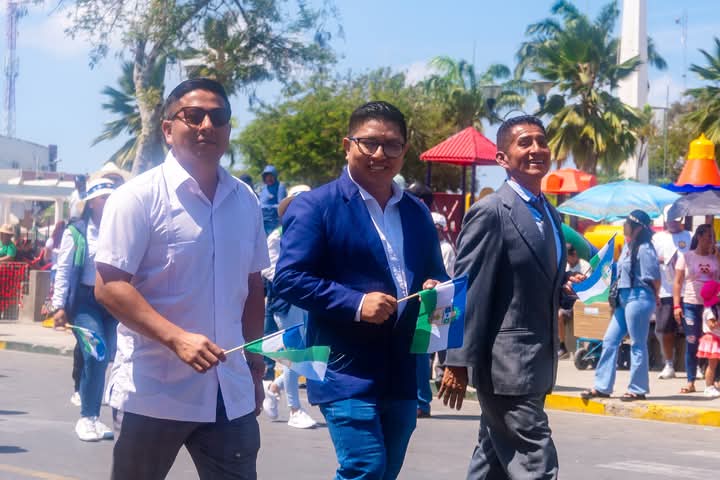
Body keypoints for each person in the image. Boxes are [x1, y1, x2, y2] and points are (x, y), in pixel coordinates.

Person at [94, 78, 268, 480]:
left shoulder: (245, 200)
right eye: (194, 115)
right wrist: (177, 338)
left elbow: (252, 288)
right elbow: (109, 286)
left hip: (228, 391)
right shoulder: (137, 197)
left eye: (218, 116)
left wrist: (255, 365)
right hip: (154, 393)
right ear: (168, 129)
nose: (207, 125)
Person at [274, 100, 448, 480]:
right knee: (365, 467)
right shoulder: (315, 206)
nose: (380, 154)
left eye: (392, 145)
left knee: (386, 472)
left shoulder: (416, 212)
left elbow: (434, 273)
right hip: (344, 369)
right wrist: (355, 303)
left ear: (405, 149)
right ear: (347, 145)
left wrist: (434, 287)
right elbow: (288, 278)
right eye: (369, 143)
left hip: (401, 368)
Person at [436, 115, 567, 479]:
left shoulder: (550, 213)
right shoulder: (491, 211)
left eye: (541, 141)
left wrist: (564, 289)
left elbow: (534, 281)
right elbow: (469, 289)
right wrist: (455, 361)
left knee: (492, 460)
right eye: (524, 143)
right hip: (506, 366)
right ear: (502, 159)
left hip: (537, 361)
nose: (536, 149)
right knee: (536, 462)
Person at [51, 178, 118, 441]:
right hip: (84, 302)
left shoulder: (120, 228)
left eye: (111, 196)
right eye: (103, 197)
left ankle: (95, 417)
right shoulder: (76, 232)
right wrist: (58, 306)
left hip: (113, 301)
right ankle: (87, 417)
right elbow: (64, 270)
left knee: (109, 357)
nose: (108, 201)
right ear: (91, 203)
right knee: (96, 354)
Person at [581, 210, 660, 403]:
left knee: (637, 343)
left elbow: (655, 278)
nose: (625, 227)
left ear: (638, 228)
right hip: (623, 298)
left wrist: (655, 299)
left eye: (629, 224)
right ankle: (602, 386)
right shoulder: (627, 245)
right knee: (610, 340)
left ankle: (637, 389)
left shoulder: (645, 249)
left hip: (639, 296)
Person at [261, 186, 317, 429]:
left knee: (306, 353)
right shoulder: (277, 237)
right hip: (286, 301)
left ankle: (274, 388)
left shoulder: (314, 234)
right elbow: (267, 268)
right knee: (295, 353)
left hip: (309, 300)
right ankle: (295, 410)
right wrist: (295, 281)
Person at [673, 223, 719, 394]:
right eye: (708, 237)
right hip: (691, 304)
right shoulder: (686, 257)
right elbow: (678, 283)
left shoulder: (716, 258)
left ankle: (713, 380)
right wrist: (676, 305)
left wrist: (718, 256)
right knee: (692, 342)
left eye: (713, 237)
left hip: (712, 306)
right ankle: (690, 381)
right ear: (699, 237)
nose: (711, 240)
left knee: (714, 342)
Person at [652, 208, 691, 379]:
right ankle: (668, 364)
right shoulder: (657, 238)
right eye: (671, 219)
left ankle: (695, 365)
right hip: (665, 290)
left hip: (688, 291)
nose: (673, 223)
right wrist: (661, 260)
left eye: (676, 219)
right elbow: (649, 260)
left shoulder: (690, 236)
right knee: (665, 330)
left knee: (692, 330)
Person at [557, 243, 590, 358]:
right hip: (567, 301)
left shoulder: (584, 266)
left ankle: (565, 347)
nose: (568, 261)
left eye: (568, 258)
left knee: (560, 314)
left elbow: (587, 286)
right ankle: (561, 346)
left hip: (579, 301)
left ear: (574, 254)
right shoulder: (566, 266)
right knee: (556, 313)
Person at [698, 280, 720, 397]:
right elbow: (712, 325)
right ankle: (708, 387)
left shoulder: (715, 308)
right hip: (712, 339)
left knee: (714, 365)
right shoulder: (710, 310)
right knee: (712, 365)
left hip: (716, 338)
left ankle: (713, 384)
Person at [259, 165, 287, 234]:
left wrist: (266, 208)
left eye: (271, 176)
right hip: (262, 222)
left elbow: (282, 206)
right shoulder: (263, 188)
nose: (268, 178)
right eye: (266, 176)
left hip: (274, 222)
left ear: (275, 176)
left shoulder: (280, 186)